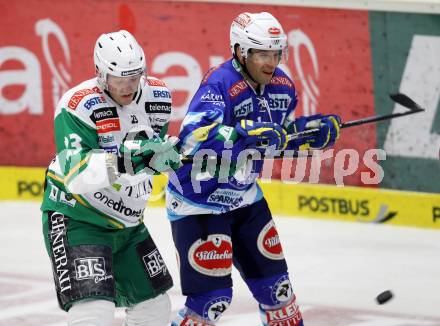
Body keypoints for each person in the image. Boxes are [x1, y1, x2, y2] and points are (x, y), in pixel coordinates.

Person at [166, 12, 341, 326]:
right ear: (240, 52)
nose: (271, 62)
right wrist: (245, 134)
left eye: (276, 53)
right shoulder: (219, 82)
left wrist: (311, 133)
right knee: (210, 302)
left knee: (280, 296)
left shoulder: (283, 88)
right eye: (262, 54)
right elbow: (192, 138)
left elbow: (279, 137)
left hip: (245, 199)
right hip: (199, 202)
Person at [40, 30, 181, 326]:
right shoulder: (77, 105)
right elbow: (76, 176)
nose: (128, 86)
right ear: (100, 73)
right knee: (93, 314)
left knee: (154, 308)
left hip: (129, 225)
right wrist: (131, 158)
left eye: (135, 77)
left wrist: (166, 158)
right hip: (78, 218)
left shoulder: (158, 95)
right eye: (119, 79)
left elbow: (154, 157)